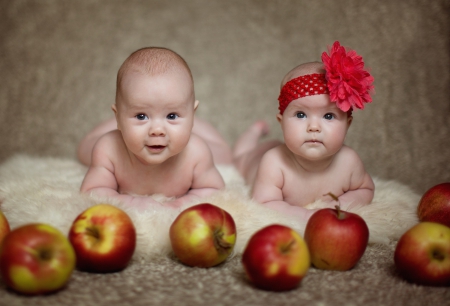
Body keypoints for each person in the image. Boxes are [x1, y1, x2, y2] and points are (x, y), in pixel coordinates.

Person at [78, 47, 231, 210]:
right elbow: (92, 191)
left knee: (225, 155)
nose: (157, 130)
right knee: (84, 149)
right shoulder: (108, 149)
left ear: (192, 114)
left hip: (192, 131)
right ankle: (150, 117)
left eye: (172, 115)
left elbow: (214, 190)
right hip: (119, 131)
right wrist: (131, 202)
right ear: (118, 117)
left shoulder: (197, 152)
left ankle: (164, 117)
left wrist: (179, 204)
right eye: (141, 116)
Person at [249, 41, 375, 221]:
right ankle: (254, 131)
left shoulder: (349, 161)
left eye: (329, 116)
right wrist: (305, 215)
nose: (313, 127)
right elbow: (264, 202)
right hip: (252, 161)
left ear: (347, 124)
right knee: (242, 155)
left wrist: (335, 207)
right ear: (281, 122)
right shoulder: (273, 162)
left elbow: (366, 190)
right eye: (301, 114)